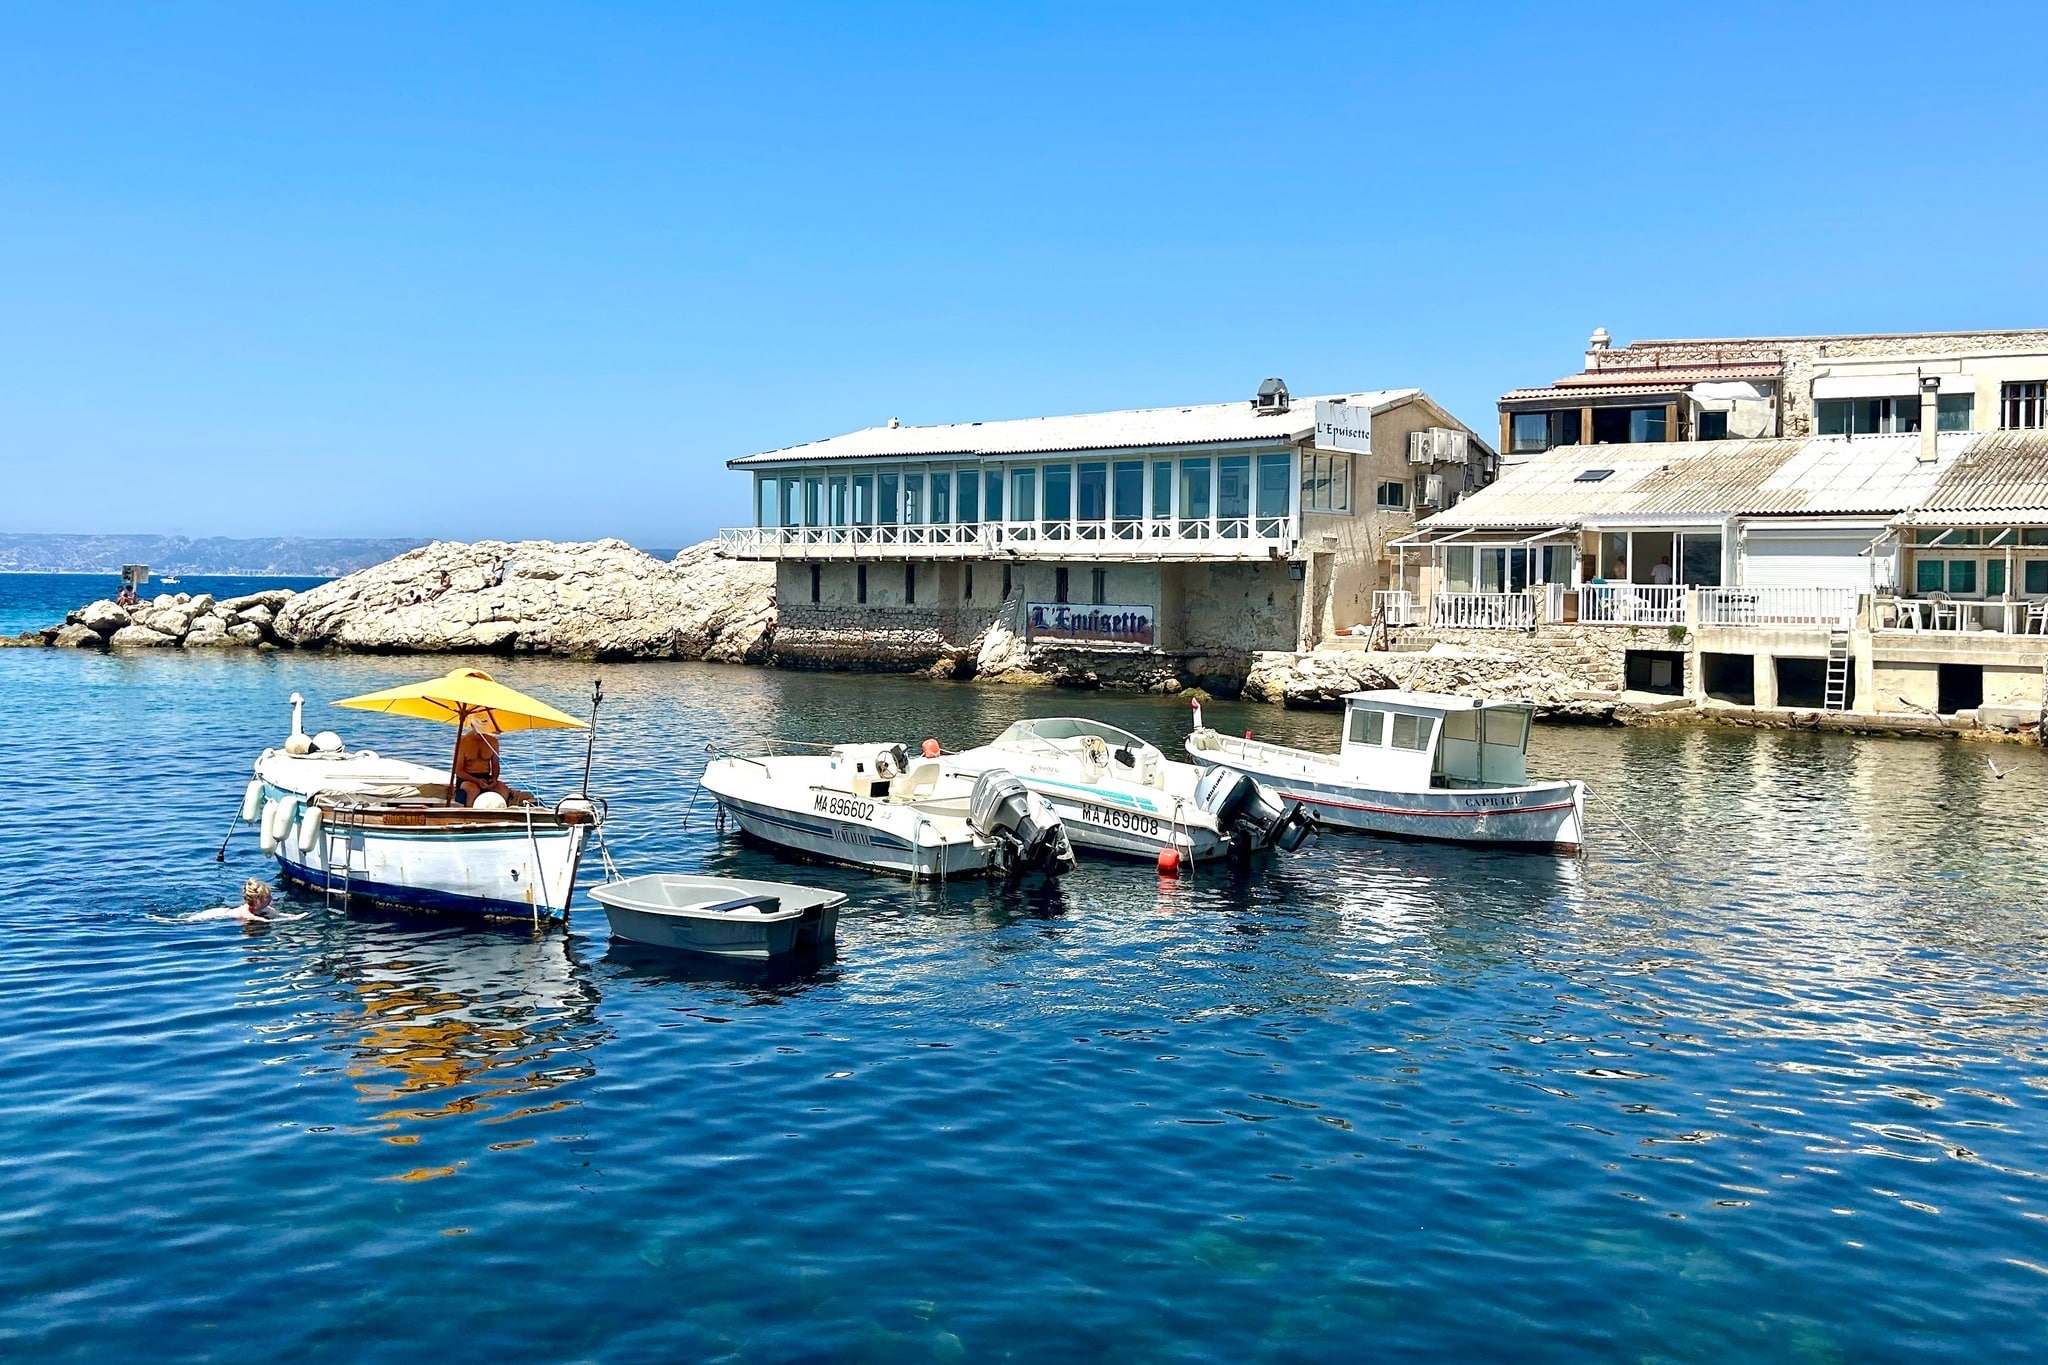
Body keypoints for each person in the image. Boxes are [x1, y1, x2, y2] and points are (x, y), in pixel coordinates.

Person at [455, 726, 512, 806]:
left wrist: (494, 779)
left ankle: (501, 814)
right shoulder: (462, 742)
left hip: (485, 777)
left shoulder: (493, 741)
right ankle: (469, 815)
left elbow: (495, 764)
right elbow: (459, 771)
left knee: (503, 789)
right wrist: (477, 781)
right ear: (472, 725)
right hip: (466, 779)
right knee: (473, 790)